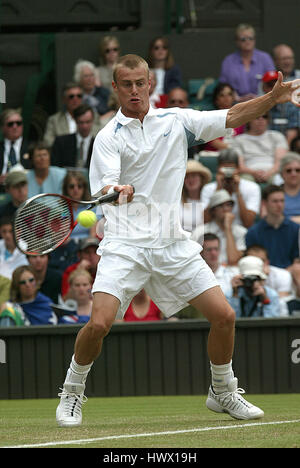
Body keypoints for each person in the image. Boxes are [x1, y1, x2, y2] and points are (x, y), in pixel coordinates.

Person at [56, 53, 300, 427]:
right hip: (125, 244)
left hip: (172, 243)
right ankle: (72, 392)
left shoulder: (176, 119)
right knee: (100, 323)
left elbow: (232, 116)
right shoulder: (107, 138)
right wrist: (115, 189)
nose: (135, 90)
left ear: (150, 84)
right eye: (127, 84)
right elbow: (105, 184)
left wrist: (272, 98)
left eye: (141, 83)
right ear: (116, 88)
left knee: (224, 316)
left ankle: (222, 391)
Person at [201, 149, 261, 228]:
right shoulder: (208, 188)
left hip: (240, 231)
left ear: (238, 169)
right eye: (224, 169)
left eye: (231, 169)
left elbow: (248, 223)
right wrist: (218, 189)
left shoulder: (252, 187)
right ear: (218, 169)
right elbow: (205, 221)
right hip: (214, 232)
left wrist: (237, 190)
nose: (228, 173)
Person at [246, 185, 299, 269]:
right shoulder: (254, 232)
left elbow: (297, 259)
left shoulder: (295, 229)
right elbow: (252, 260)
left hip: (290, 274)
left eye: (282, 201)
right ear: (264, 203)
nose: (279, 205)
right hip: (263, 274)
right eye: (275, 201)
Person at [219, 23, 275, 102]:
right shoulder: (228, 61)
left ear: (255, 40)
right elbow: (223, 87)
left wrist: (260, 98)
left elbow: (273, 84)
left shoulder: (265, 58)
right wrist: (237, 98)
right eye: (243, 39)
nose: (247, 41)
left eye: (250, 38)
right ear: (237, 41)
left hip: (262, 103)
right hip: (236, 105)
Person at [192, 189, 247, 265]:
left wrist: (228, 229)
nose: (226, 209)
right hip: (206, 272)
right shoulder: (200, 231)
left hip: (232, 273)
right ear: (213, 210)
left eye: (229, 205)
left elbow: (233, 260)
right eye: (220, 206)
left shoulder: (241, 232)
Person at [231, 113, 289, 183]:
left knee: (280, 179)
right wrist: (254, 173)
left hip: (274, 172)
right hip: (248, 174)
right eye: (257, 117)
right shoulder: (238, 140)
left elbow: (281, 162)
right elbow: (240, 166)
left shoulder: (277, 136)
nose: (261, 119)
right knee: (245, 182)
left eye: (264, 117)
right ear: (248, 120)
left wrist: (269, 173)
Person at [245, 244, 293, 316]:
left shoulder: (283, 274)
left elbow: (281, 301)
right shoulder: (238, 277)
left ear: (267, 262)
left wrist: (262, 279)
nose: (258, 264)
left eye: (261, 261)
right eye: (253, 261)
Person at [51, 104, 96, 170]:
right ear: (75, 121)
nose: (85, 126)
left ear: (92, 121)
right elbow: (55, 168)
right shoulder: (61, 143)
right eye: (81, 122)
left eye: (88, 122)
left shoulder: (98, 144)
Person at [261, 71, 300, 145]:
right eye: (270, 85)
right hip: (262, 145)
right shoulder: (258, 105)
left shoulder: (291, 104)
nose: (273, 89)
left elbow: (293, 131)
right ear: (263, 87)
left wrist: (283, 149)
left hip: (286, 145)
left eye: (276, 85)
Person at [203, 83, 244, 151]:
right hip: (214, 155)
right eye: (222, 95)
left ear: (233, 98)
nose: (226, 98)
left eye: (229, 94)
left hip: (235, 155)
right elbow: (212, 141)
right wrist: (232, 149)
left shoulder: (240, 118)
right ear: (216, 99)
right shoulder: (210, 117)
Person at [61, 171, 98, 242]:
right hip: (68, 246)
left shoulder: (92, 205)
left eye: (79, 186)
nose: (76, 189)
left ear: (84, 188)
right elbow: (63, 237)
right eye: (72, 186)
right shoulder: (62, 209)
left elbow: (93, 235)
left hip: (87, 245)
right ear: (66, 189)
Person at [0, 109, 31, 192]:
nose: (15, 126)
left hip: (26, 190)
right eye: (10, 124)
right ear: (2, 128)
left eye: (18, 123)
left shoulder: (31, 147)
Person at [180, 159, 212, 232]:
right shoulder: (177, 201)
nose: (190, 180)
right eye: (187, 177)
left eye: (194, 176)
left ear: (201, 179)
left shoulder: (209, 199)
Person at [278, 152, 300, 224]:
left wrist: (286, 220)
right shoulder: (274, 192)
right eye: (289, 171)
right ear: (281, 174)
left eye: (297, 170)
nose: (293, 174)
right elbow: (268, 218)